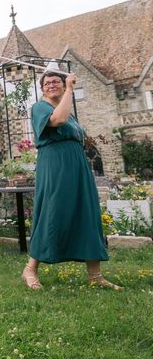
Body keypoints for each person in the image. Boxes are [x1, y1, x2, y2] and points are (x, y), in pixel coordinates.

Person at [22, 71, 122, 290]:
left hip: (78, 167)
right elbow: (58, 120)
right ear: (42, 88)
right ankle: (30, 269)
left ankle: (95, 276)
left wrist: (67, 93)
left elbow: (70, 123)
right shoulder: (40, 107)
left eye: (55, 81)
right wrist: (69, 88)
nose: (51, 85)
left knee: (87, 212)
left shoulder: (71, 112)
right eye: (47, 83)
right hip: (55, 166)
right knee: (51, 211)